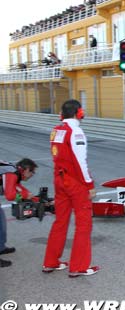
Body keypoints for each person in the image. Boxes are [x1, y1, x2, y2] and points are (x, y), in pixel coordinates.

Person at [43, 99, 98, 277]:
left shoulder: (56, 130)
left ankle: (50, 262)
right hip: (75, 182)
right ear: (79, 113)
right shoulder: (76, 131)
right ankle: (79, 267)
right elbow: (80, 161)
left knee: (60, 221)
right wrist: (89, 185)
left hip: (59, 179)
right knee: (83, 224)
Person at [0, 158, 38, 268]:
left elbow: (19, 189)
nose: (32, 175)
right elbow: (10, 195)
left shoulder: (14, 172)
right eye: (32, 172)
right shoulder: (12, 173)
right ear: (25, 170)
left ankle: (1, 247)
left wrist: (34, 198)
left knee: (1, 220)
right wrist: (25, 196)